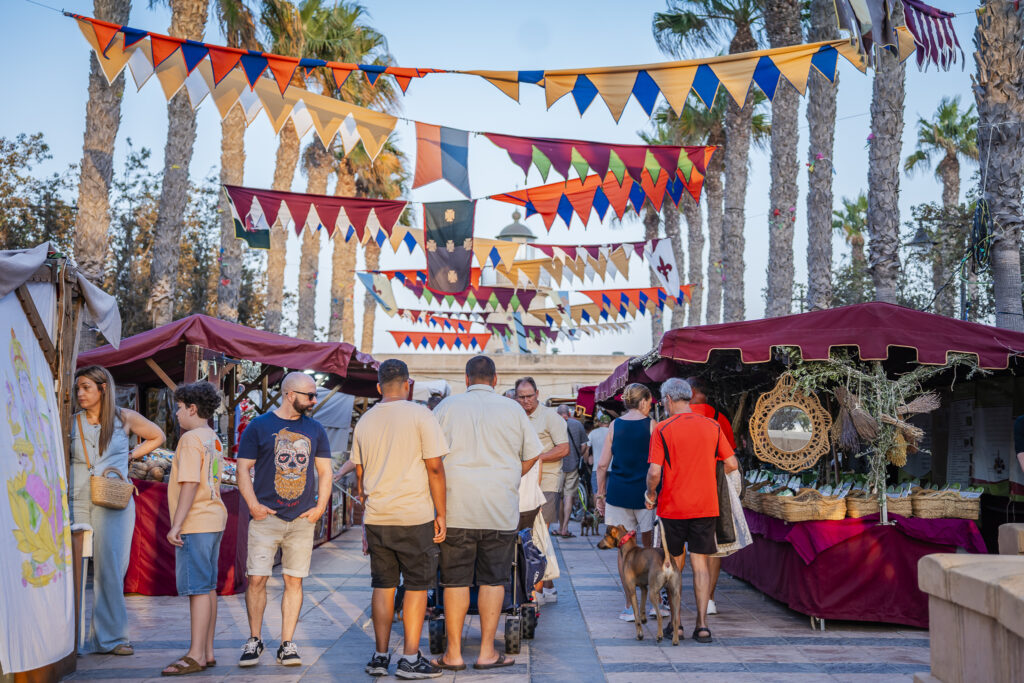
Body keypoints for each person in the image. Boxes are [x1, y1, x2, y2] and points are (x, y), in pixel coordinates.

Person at [431, 356, 542, 671]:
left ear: (466, 379)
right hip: (499, 508)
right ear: (495, 380)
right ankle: (486, 653)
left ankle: (453, 654)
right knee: (494, 580)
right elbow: (533, 454)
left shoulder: (445, 408)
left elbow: (432, 459)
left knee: (454, 581)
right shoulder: (513, 410)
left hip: (455, 508)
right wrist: (510, 475)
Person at [351, 360, 448, 679]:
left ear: (379, 387)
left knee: (383, 586)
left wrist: (365, 518)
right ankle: (409, 658)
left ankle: (380, 657)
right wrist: (441, 513)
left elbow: (360, 475)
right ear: (408, 385)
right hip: (414, 516)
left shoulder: (366, 420)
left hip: (378, 516)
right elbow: (435, 468)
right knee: (417, 587)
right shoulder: (421, 415)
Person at [235, 372, 333, 668]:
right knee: (257, 579)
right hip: (266, 518)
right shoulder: (259, 426)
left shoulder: (316, 429)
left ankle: (287, 644)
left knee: (294, 580)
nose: (314, 400)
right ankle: (255, 639)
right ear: (290, 395)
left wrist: (320, 507)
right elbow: (242, 468)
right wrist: (253, 506)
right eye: (309, 395)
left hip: (301, 520)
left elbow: (325, 472)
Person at [71, 365, 165, 656]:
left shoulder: (124, 418)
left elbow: (157, 436)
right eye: (78, 388)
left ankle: (110, 639)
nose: (80, 393)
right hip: (76, 500)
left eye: (86, 387)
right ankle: (67, 643)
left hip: (113, 500)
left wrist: (130, 455)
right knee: (71, 570)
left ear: (103, 389)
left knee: (110, 569)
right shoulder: (71, 422)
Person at [646, 378, 739, 644]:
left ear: (668, 400)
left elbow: (654, 472)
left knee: (674, 566)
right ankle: (702, 626)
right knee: (701, 565)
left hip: (672, 507)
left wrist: (651, 494)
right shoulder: (712, 426)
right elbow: (731, 463)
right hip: (705, 506)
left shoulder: (662, 428)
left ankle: (676, 625)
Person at [162, 382, 228, 676]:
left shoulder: (190, 439)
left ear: (192, 408)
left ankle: (196, 654)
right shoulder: (212, 437)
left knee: (198, 589)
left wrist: (176, 525)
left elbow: (189, 483)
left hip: (196, 521)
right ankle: (207, 651)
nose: (176, 413)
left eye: (179, 407)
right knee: (208, 587)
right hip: (213, 518)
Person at [594, 383, 655, 622]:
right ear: (644, 401)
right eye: (649, 402)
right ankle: (654, 603)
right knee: (649, 549)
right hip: (645, 494)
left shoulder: (614, 425)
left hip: (618, 493)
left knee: (624, 551)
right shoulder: (652, 425)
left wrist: (600, 495)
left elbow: (602, 465)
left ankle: (629, 605)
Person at [686, 375, 737, 616]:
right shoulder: (720, 418)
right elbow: (731, 458)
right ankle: (710, 598)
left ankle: (673, 599)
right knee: (715, 545)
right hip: (715, 484)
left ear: (691, 391)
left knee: (686, 544)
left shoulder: (677, 417)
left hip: (684, 484)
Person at [514, 377, 567, 602]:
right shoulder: (516, 415)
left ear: (537, 393)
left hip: (546, 484)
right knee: (532, 537)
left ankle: (534, 594)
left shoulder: (550, 417)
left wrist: (537, 458)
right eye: (521, 397)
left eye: (529, 396)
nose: (526, 400)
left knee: (537, 536)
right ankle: (548, 587)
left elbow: (563, 448)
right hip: (523, 484)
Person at [554, 405, 589, 538]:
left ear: (557, 414)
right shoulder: (577, 425)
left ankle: (559, 527)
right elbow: (584, 446)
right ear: (569, 413)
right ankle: (565, 528)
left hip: (557, 466)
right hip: (573, 466)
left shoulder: (553, 425)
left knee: (560, 497)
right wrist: (577, 455)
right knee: (569, 496)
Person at [587, 413, 611, 509]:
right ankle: (607, 514)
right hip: (611, 468)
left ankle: (597, 513)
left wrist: (587, 460)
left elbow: (586, 448)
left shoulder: (593, 433)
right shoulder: (613, 432)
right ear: (609, 423)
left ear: (600, 423)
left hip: (596, 468)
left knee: (597, 492)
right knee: (608, 493)